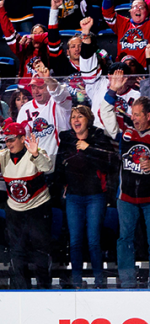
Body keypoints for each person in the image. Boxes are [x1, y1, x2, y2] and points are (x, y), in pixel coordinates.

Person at [0, 123, 53, 289]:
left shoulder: (35, 151)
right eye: (6, 140)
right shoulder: (3, 155)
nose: (9, 143)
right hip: (15, 211)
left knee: (40, 252)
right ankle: (22, 291)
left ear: (22, 138)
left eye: (12, 139)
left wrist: (36, 154)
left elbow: (47, 167)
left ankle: (44, 289)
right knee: (17, 252)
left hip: (38, 207)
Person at [55, 105, 117, 288]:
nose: (76, 120)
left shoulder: (99, 137)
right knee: (74, 241)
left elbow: (110, 163)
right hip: (74, 197)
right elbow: (59, 166)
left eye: (80, 116)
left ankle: (99, 280)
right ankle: (76, 280)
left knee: (93, 240)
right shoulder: (66, 139)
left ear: (88, 120)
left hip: (95, 197)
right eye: (73, 116)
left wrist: (88, 148)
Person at [100, 70, 150, 289]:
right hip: (126, 196)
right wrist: (112, 90)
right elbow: (106, 113)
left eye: (138, 114)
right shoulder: (126, 132)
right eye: (133, 113)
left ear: (149, 115)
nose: (134, 117)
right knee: (124, 240)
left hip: (149, 198)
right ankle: (128, 283)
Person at [80, 17, 139, 134]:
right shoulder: (98, 85)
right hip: (98, 137)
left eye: (121, 76)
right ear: (108, 76)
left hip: (124, 139)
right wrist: (85, 34)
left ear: (127, 78)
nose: (117, 80)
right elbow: (87, 67)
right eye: (114, 76)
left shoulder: (137, 96)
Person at [17, 61, 72, 172]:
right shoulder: (25, 109)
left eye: (40, 87)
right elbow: (22, 137)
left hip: (60, 158)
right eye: (33, 87)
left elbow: (58, 92)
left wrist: (48, 79)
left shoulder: (59, 102)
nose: (36, 91)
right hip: (36, 161)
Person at [0, 0, 48, 88]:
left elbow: (52, 37)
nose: (37, 35)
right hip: (25, 91)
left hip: (44, 90)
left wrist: (34, 37)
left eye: (40, 33)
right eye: (34, 33)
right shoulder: (24, 49)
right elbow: (9, 32)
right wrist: (0, 9)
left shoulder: (50, 51)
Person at [102, 0, 150, 67]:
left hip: (143, 73)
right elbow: (107, 14)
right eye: (135, 7)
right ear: (130, 11)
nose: (138, 9)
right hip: (121, 72)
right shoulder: (122, 23)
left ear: (147, 11)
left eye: (141, 7)